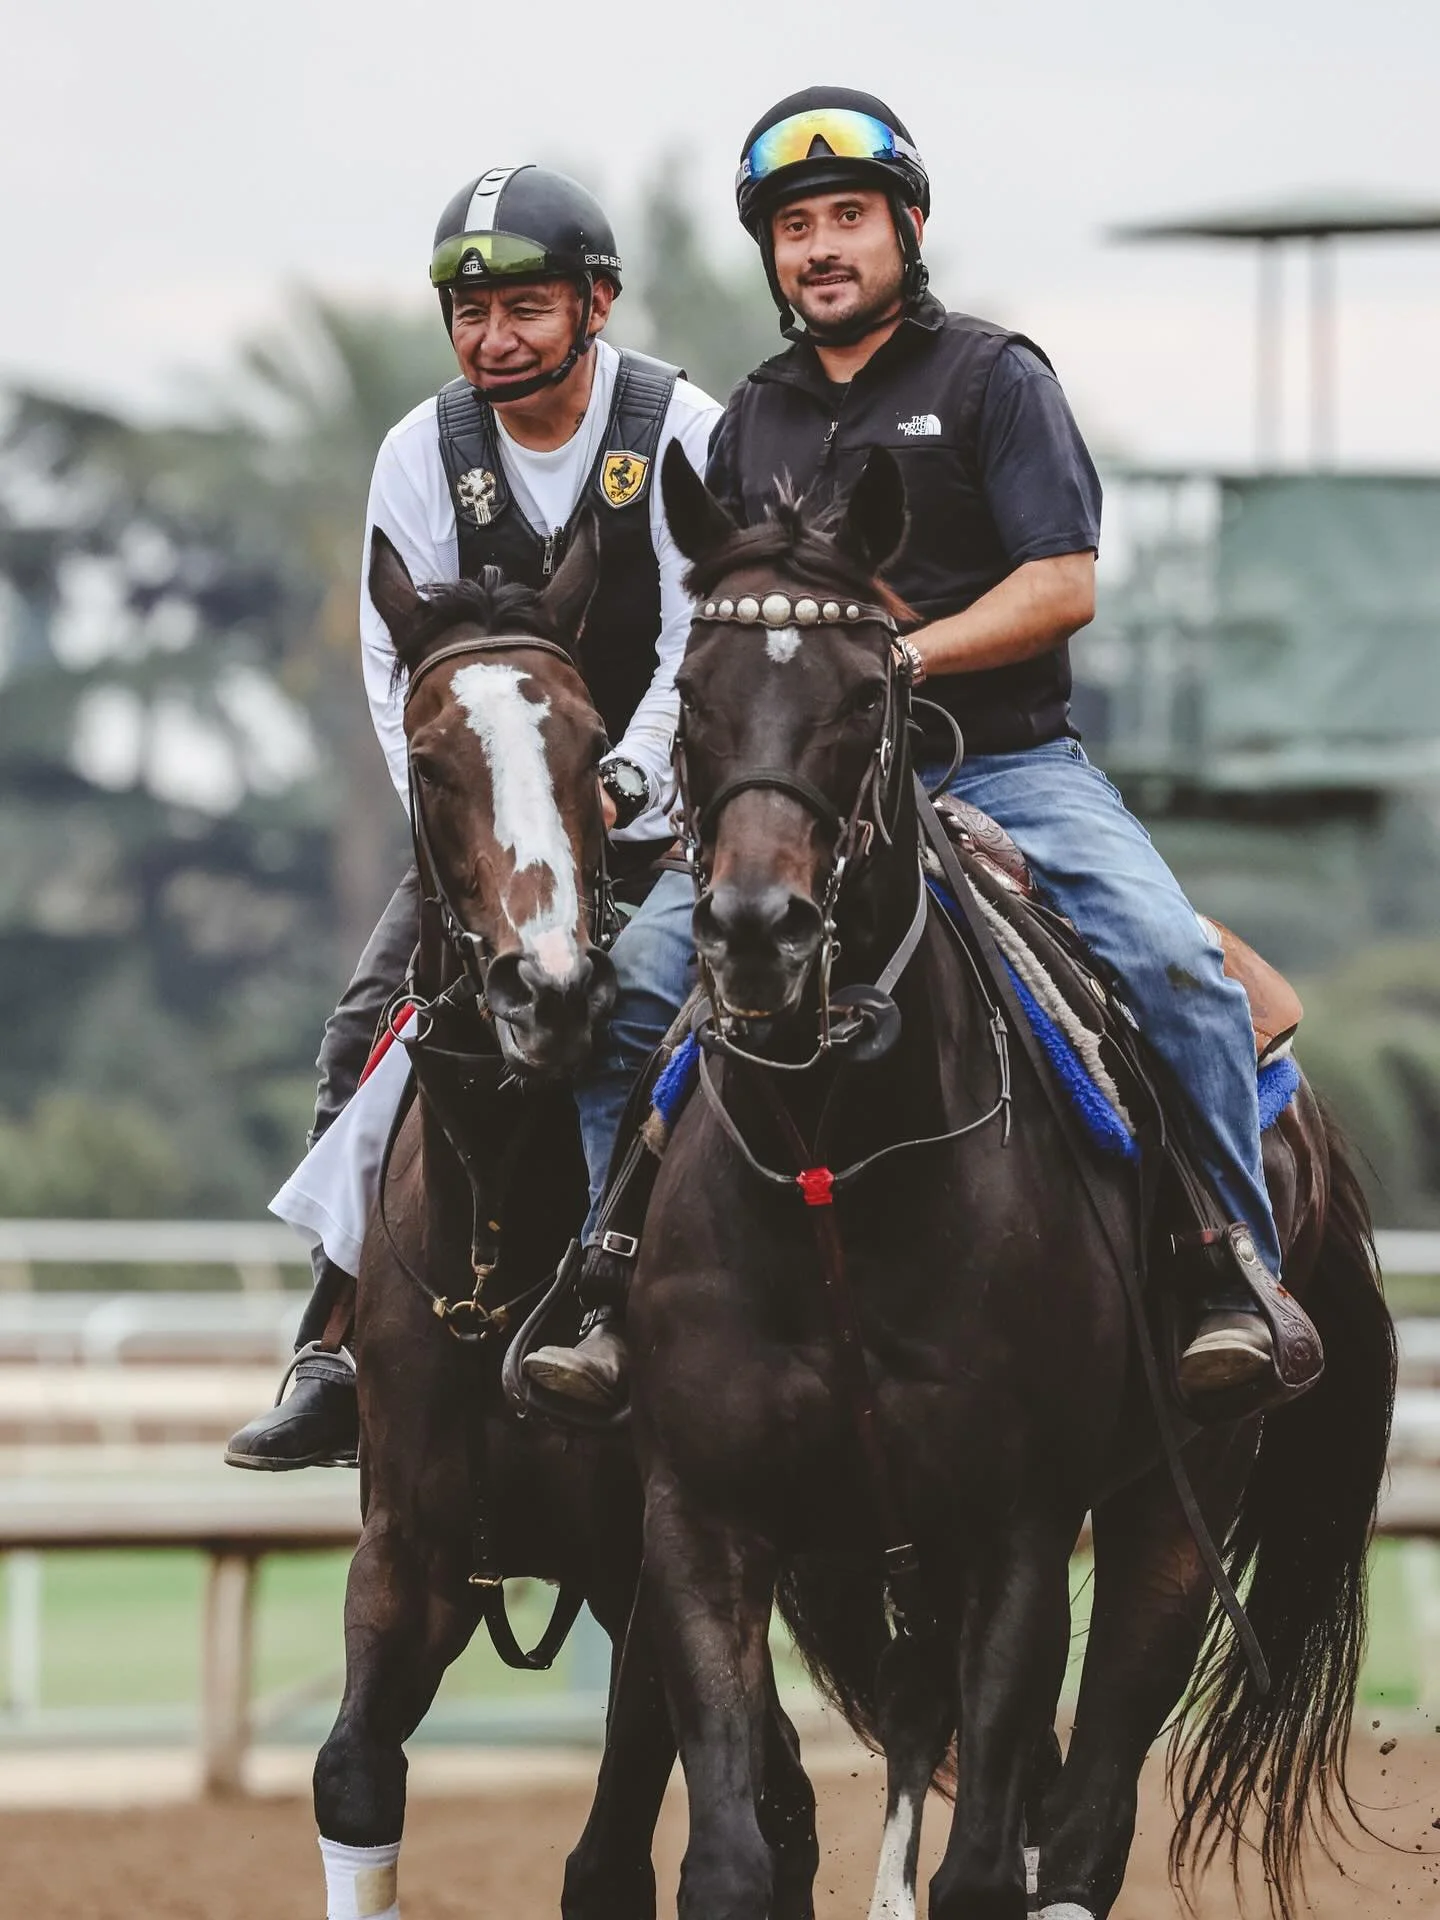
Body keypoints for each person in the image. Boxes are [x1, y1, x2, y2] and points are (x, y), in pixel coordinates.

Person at [527, 87, 1286, 1412]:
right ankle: (608, 1287)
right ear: (773, 254)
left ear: (907, 227)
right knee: (626, 997)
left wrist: (899, 660)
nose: (821, 248)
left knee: (1174, 965)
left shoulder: (997, 380)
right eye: (796, 227)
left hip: (1008, 769)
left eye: (848, 219)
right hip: (810, 799)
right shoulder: (748, 419)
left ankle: (1232, 1270)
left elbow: (1063, 584)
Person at [225, 165, 719, 1468]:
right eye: (467, 308)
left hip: (660, 819)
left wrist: (621, 786)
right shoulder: (419, 452)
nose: (490, 335)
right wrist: (465, 822)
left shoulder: (681, 430)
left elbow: (695, 638)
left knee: (749, 1032)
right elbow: (400, 676)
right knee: (361, 1031)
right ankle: (331, 1341)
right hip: (491, 831)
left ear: (595, 302)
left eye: (523, 305)